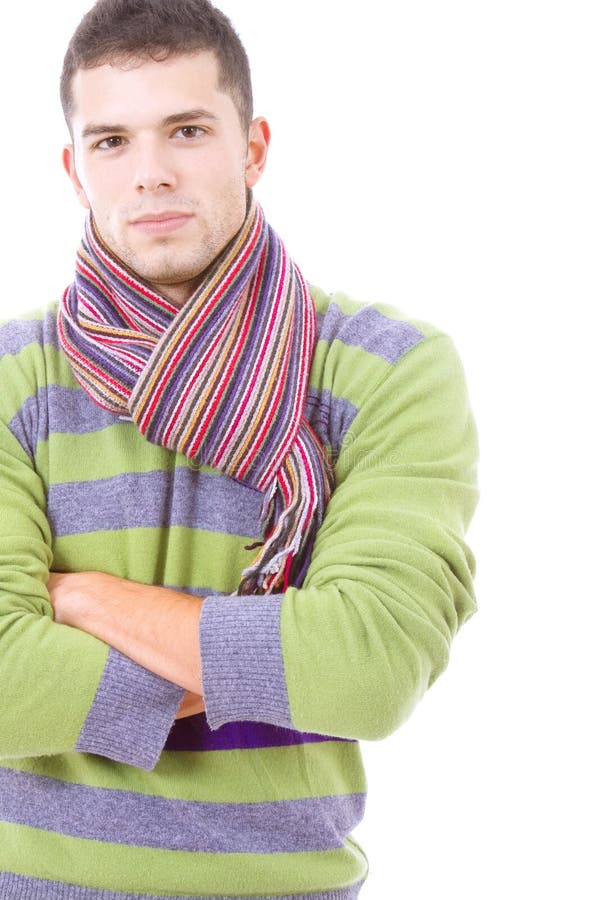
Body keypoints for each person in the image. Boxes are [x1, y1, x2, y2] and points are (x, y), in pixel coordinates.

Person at [0, 0, 478, 897]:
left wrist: (88, 598)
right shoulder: (14, 375)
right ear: (74, 168)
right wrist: (275, 667)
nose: (149, 175)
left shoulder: (386, 369)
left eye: (186, 130)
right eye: (111, 141)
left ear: (253, 146)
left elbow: (368, 671)